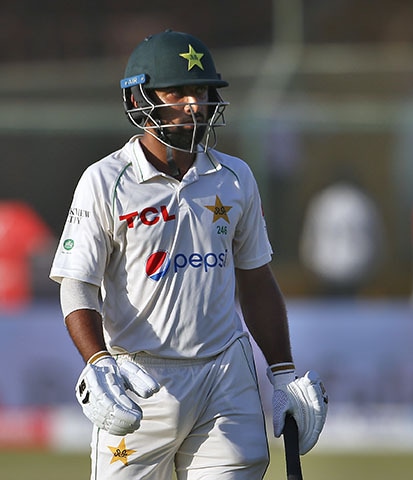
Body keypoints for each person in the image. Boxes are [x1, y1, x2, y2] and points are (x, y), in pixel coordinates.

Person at [50, 30, 327, 480]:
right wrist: (97, 362)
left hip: (225, 377)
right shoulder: (105, 180)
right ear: (140, 99)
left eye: (200, 91)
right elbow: (77, 283)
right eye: (176, 92)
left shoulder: (234, 177)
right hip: (139, 380)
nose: (194, 105)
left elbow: (256, 280)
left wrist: (282, 374)